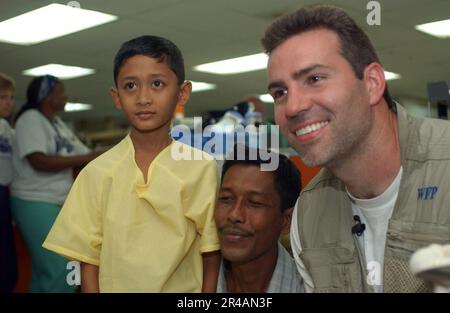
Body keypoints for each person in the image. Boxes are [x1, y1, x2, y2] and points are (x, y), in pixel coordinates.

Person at [262, 5, 450, 293]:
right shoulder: (309, 214)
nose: (293, 106)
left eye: (314, 79)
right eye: (280, 93)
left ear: (372, 83)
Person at [43, 35, 221, 292]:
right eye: (130, 86)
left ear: (182, 93)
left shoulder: (202, 168)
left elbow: (211, 253)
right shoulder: (95, 173)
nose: (143, 98)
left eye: (157, 83)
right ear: (116, 97)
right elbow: (88, 261)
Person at [10, 75, 100, 292]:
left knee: (44, 274)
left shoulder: (57, 123)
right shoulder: (30, 119)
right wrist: (88, 158)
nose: (66, 96)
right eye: (61, 91)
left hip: (57, 202)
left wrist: (111, 153)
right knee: (63, 269)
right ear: (47, 96)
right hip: (34, 201)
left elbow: (86, 154)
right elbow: (38, 161)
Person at [215, 145, 304, 293]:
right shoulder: (189, 282)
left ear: (286, 220)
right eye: (226, 199)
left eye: (254, 203)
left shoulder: (312, 287)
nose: (234, 215)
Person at [0, 72, 18, 292]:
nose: (9, 103)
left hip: (5, 194)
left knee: (8, 268)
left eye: (11, 97)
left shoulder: (7, 128)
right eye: (3, 97)